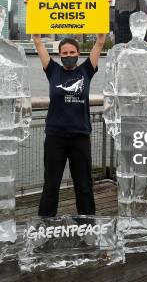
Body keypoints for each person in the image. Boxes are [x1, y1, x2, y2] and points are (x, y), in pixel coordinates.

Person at [32, 32, 105, 217]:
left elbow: (100, 42)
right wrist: (31, 8)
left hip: (80, 136)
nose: (68, 56)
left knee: (84, 185)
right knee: (51, 185)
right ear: (59, 55)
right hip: (55, 137)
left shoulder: (86, 71)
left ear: (78, 53)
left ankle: (88, 225)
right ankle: (45, 226)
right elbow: (38, 43)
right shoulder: (53, 71)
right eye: (64, 53)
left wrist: (103, 13)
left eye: (72, 52)